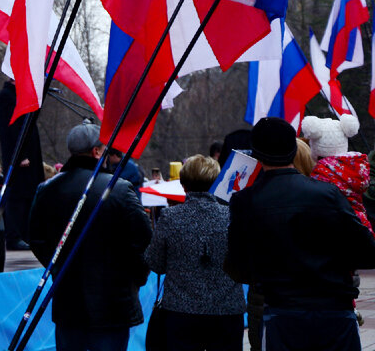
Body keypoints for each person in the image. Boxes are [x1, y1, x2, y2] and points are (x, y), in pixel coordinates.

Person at [225, 117, 375, 351]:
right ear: (295, 148)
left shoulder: (245, 202)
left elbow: (238, 267)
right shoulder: (328, 194)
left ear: (257, 154)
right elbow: (367, 251)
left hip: (282, 313)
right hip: (334, 310)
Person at [29, 121, 151, 351]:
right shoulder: (120, 188)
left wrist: (58, 266)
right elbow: (144, 242)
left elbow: (36, 239)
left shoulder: (47, 189)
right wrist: (134, 279)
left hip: (69, 301)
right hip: (112, 304)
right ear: (96, 152)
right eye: (105, 149)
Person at [144, 154, 244, 351]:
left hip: (181, 313)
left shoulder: (170, 217)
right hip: (227, 311)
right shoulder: (233, 215)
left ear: (183, 185)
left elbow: (154, 262)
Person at [302, 113, 373, 234]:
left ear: (314, 148)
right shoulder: (358, 168)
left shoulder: (320, 174)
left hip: (335, 231)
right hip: (362, 227)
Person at [0, 80, 42, 250]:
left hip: (29, 155)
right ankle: (14, 237)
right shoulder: (6, 97)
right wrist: (19, 155)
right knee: (17, 198)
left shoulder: (21, 95)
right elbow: (9, 129)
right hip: (19, 157)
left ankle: (26, 235)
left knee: (28, 196)